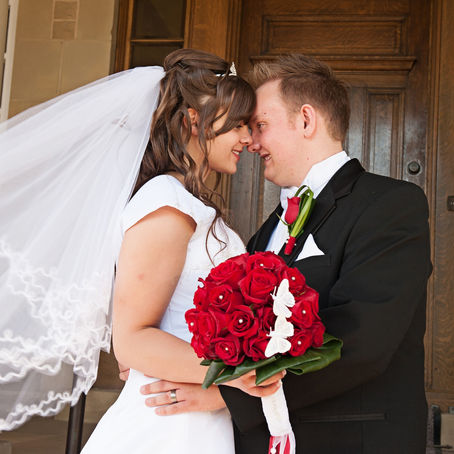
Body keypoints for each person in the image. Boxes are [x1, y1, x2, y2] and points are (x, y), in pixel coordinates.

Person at [142, 54, 432, 454]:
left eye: (260, 125)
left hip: (347, 440)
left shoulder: (390, 204)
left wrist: (230, 394)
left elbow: (363, 339)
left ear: (307, 120)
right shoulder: (268, 228)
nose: (251, 141)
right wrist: (155, 353)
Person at [0, 48, 284, 450]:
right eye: (237, 123)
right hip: (167, 425)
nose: (246, 137)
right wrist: (234, 372)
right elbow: (132, 341)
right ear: (192, 120)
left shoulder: (185, 201)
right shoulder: (167, 203)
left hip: (193, 410)